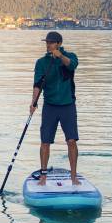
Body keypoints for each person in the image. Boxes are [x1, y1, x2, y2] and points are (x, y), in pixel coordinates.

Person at [30, 31, 79, 185]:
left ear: (58, 43)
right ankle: (43, 176)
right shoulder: (41, 62)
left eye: (51, 42)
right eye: (47, 42)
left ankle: (73, 176)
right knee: (45, 142)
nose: (48, 45)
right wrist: (33, 103)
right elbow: (38, 84)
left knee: (71, 141)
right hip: (50, 106)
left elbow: (72, 65)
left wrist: (60, 56)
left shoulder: (70, 56)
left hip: (67, 106)